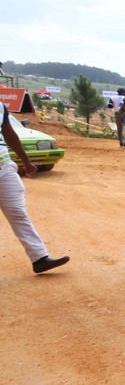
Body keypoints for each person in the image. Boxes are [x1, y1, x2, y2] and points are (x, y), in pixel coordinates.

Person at [0, 102, 70, 274]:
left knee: (17, 212)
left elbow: (9, 134)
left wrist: (26, 161)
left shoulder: (0, 107)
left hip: (3, 166)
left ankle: (39, 258)